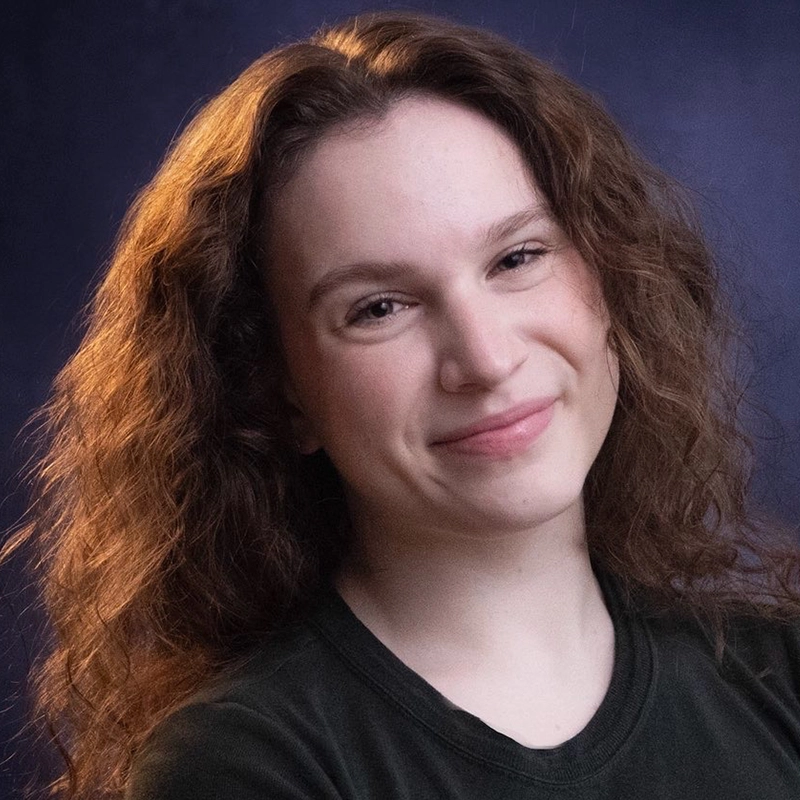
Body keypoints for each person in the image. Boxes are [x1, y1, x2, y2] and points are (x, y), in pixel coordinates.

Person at [5, 10, 800, 799]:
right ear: (273, 392)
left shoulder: (779, 675)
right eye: (379, 308)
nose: (486, 359)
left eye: (518, 257)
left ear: (609, 276)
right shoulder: (245, 768)